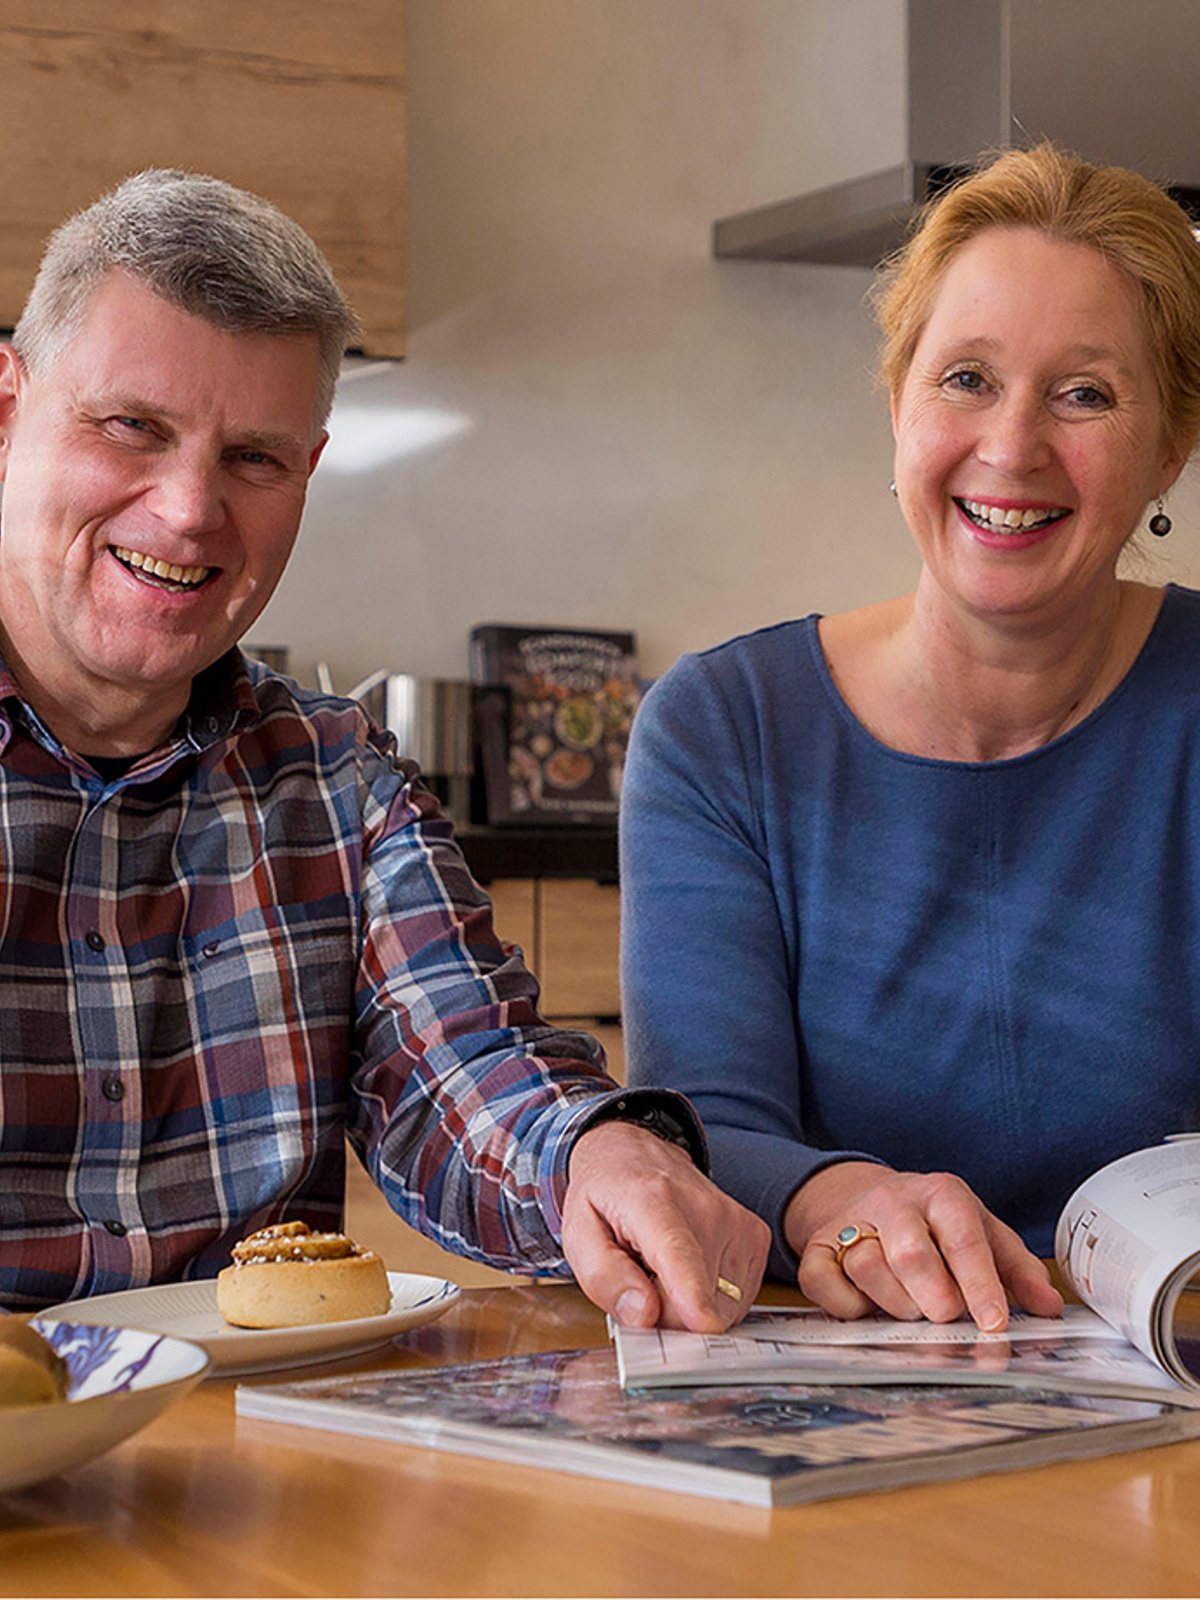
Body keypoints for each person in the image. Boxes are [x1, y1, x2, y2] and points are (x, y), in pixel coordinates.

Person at [0, 168, 769, 1328]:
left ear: (306, 474)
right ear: (7, 411)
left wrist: (592, 1157)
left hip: (256, 1427)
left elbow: (467, 1070)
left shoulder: (338, 781)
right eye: (132, 428)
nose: (190, 510)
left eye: (254, 457)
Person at [620, 142, 1200, 1333]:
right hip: (843, 1370)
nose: (1013, 446)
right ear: (898, 408)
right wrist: (836, 1196)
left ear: (1170, 449)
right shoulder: (722, 731)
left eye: (1086, 393)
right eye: (967, 378)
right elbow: (705, 1127)